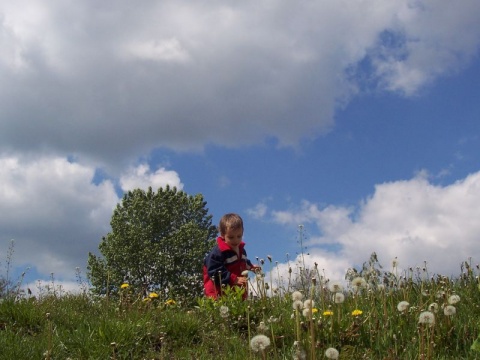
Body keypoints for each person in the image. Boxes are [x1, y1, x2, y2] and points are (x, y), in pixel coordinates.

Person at [203, 213, 259, 299]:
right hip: (220, 294)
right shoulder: (218, 252)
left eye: (239, 236)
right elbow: (214, 272)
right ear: (222, 234)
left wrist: (251, 267)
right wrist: (233, 279)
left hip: (237, 292)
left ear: (243, 232)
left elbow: (243, 262)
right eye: (231, 237)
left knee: (240, 309)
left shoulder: (241, 250)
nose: (235, 240)